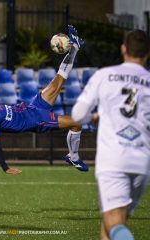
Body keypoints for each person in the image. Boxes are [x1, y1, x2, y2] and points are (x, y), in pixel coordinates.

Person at [0, 25, 89, 175]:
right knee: (76, 122)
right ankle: (73, 157)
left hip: (33, 107)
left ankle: (75, 47)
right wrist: (5, 168)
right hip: (37, 120)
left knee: (58, 81)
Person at [72, 29, 150, 240]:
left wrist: (92, 118)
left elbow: (77, 114)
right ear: (147, 53)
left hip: (114, 159)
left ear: (123, 48)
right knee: (113, 223)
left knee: (114, 222)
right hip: (142, 162)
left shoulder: (104, 75)